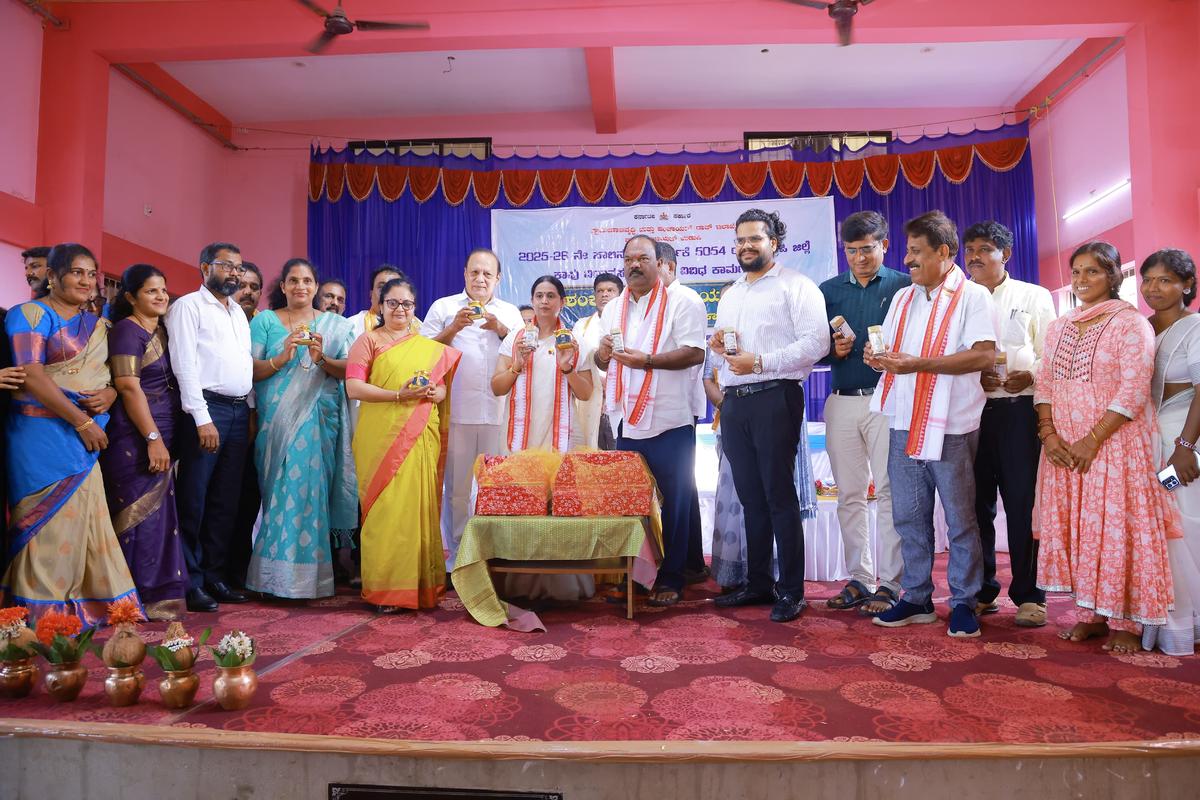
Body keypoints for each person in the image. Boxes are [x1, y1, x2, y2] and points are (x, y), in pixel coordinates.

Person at [1036, 241, 1180, 653]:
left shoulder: (1130, 323)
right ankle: (1091, 615)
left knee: (1116, 530)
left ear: (1114, 275)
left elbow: (1134, 389)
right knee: (1083, 530)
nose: (1082, 280)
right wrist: (1049, 434)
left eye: (1093, 271)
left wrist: (1092, 439)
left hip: (1113, 446)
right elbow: (1045, 383)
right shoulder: (1059, 326)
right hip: (1065, 447)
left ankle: (1126, 622)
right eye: (1076, 272)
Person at [867, 210, 996, 639]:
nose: (908, 260)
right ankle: (917, 597)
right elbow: (892, 353)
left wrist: (919, 364)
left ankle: (964, 602)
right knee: (909, 517)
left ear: (943, 252)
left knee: (960, 519)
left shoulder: (973, 296)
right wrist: (877, 359)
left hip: (951, 426)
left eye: (916, 252)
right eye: (908, 251)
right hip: (904, 420)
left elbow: (984, 355)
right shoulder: (904, 298)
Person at [3, 243, 136, 623]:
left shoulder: (99, 326)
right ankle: (41, 611)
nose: (86, 280)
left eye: (91, 274)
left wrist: (110, 394)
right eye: (77, 272)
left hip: (86, 434)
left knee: (85, 517)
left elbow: (111, 378)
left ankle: (86, 602)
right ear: (52, 275)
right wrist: (82, 421)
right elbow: (31, 375)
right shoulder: (31, 314)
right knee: (45, 520)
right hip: (39, 432)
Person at [710, 209, 829, 623]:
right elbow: (727, 354)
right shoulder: (731, 294)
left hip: (775, 396)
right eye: (740, 240)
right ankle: (758, 582)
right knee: (750, 497)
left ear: (773, 243)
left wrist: (760, 362)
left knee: (779, 496)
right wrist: (718, 348)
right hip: (735, 401)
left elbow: (816, 343)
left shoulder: (797, 286)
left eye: (755, 239)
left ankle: (792, 591)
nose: (746, 246)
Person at [590, 238, 706, 606]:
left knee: (676, 503)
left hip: (671, 418)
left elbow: (695, 352)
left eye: (643, 258)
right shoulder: (613, 308)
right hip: (626, 419)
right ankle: (637, 576)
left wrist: (648, 362)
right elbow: (603, 361)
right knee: (632, 503)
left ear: (659, 263)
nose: (635, 265)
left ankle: (672, 577)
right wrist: (602, 354)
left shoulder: (684, 301)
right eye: (629, 259)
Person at [244, 258, 357, 599]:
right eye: (293, 280)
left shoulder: (335, 325)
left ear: (315, 286)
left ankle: (309, 580)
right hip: (276, 424)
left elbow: (350, 370)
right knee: (279, 494)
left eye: (307, 280)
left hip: (319, 420)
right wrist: (282, 356)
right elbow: (250, 370)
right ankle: (270, 579)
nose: (300, 286)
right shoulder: (265, 321)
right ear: (283, 286)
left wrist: (321, 358)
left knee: (311, 493)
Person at [963, 221, 1057, 627]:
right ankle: (983, 591)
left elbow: (1050, 352)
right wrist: (972, 376)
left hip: (1019, 410)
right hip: (970, 412)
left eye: (985, 249)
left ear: (1006, 254)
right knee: (974, 506)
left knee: (1021, 503)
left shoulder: (1032, 296)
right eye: (969, 250)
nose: (975, 257)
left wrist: (1031, 375)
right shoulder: (958, 299)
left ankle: (1029, 595)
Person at [346, 277, 460, 611]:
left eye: (407, 304)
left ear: (414, 308)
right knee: (385, 512)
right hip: (380, 439)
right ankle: (386, 590)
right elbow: (354, 387)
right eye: (392, 303)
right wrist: (399, 395)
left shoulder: (426, 347)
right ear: (380, 306)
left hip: (419, 436)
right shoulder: (367, 341)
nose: (400, 309)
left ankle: (417, 587)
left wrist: (432, 392)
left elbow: (441, 389)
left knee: (416, 509)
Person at [818, 211, 910, 615]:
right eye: (851, 251)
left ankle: (890, 583)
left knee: (889, 493)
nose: (859, 258)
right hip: (842, 400)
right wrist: (830, 351)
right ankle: (859, 577)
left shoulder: (904, 286)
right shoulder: (828, 290)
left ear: (884, 246)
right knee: (849, 494)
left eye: (867, 249)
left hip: (888, 399)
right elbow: (813, 347)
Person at [493, 275, 595, 601]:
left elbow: (586, 393)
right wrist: (517, 365)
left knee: (558, 506)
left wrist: (568, 368)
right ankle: (521, 585)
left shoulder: (574, 341)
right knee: (524, 504)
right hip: (521, 437)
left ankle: (563, 586)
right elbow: (496, 387)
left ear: (562, 302)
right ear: (532, 300)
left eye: (551, 296)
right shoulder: (515, 339)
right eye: (539, 295)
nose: (544, 301)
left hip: (560, 437)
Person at [166, 242, 254, 612]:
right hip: (206, 409)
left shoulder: (238, 313)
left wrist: (249, 411)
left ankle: (215, 576)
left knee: (225, 500)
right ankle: (191, 581)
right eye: (226, 265)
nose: (234, 273)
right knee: (195, 498)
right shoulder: (188, 307)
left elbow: (243, 363)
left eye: (238, 267)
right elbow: (184, 365)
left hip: (237, 410)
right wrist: (201, 417)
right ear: (205, 268)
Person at [423, 249, 524, 570]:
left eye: (487, 274)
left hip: (499, 413)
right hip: (457, 411)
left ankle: (494, 556)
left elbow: (524, 352)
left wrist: (501, 328)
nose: (480, 279)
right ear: (465, 273)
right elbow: (423, 353)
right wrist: (454, 327)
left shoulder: (510, 312)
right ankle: (458, 558)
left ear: (498, 278)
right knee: (457, 488)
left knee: (497, 484)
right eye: (475, 272)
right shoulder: (443, 307)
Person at [99, 263, 188, 621]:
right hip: (134, 436)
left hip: (164, 429)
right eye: (151, 290)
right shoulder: (127, 330)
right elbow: (127, 387)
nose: (161, 296)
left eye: (163, 289)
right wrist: (153, 439)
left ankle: (158, 596)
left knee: (161, 516)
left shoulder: (162, 331)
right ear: (131, 297)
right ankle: (131, 599)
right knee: (138, 515)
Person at [1141, 248, 1200, 656]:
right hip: (1147, 443)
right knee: (1157, 531)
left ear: (1187, 285)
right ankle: (1160, 616)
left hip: (1182, 442)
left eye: (1165, 280)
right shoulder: (1142, 328)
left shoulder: (1194, 328)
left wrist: (1185, 448)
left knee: (1183, 525)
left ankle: (1187, 620)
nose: (1154, 288)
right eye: (1148, 280)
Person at [655, 241, 712, 586]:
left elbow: (691, 354)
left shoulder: (685, 300)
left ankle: (683, 565)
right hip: (643, 410)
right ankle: (689, 560)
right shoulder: (638, 304)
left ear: (670, 267)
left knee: (680, 487)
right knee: (678, 488)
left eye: (654, 263)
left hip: (679, 407)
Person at [229, 257, 263, 589]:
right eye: (242, 285)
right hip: (223, 414)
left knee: (249, 496)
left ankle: (240, 570)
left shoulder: (262, 324)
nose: (248, 292)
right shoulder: (222, 321)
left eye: (254, 287)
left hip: (257, 420)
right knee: (222, 496)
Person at [571, 272, 623, 450]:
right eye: (600, 291)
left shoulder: (630, 323)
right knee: (591, 453)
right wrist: (598, 381)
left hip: (620, 401)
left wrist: (610, 383)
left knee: (620, 456)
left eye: (610, 290)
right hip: (590, 400)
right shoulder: (581, 326)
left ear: (621, 295)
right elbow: (576, 362)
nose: (604, 295)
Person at [348, 265, 406, 341]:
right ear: (371, 294)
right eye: (382, 288)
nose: (387, 293)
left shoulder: (417, 327)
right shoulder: (351, 327)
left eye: (394, 288)